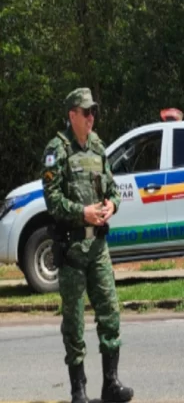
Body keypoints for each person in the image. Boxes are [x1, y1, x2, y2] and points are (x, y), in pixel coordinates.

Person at [41, 88, 133, 403]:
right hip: (72, 251)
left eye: (93, 111)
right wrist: (82, 213)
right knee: (74, 323)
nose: (91, 117)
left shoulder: (98, 147)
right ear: (72, 115)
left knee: (110, 313)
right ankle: (78, 391)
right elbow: (52, 200)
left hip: (98, 250)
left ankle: (111, 384)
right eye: (86, 112)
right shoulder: (57, 149)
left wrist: (111, 206)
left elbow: (113, 188)